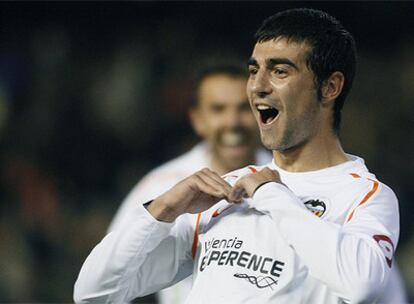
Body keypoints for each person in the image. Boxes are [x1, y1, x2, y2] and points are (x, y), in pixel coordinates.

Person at [74, 8, 403, 303]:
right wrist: (162, 209)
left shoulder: (364, 197)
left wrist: (271, 194)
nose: (258, 86)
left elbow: (362, 285)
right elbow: (93, 291)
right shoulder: (226, 191)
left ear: (330, 87)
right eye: (253, 70)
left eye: (280, 71)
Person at [106, 62, 271, 304]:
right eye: (218, 109)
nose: (233, 121)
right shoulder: (160, 185)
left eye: (244, 108)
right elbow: (111, 271)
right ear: (197, 120)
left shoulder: (284, 179)